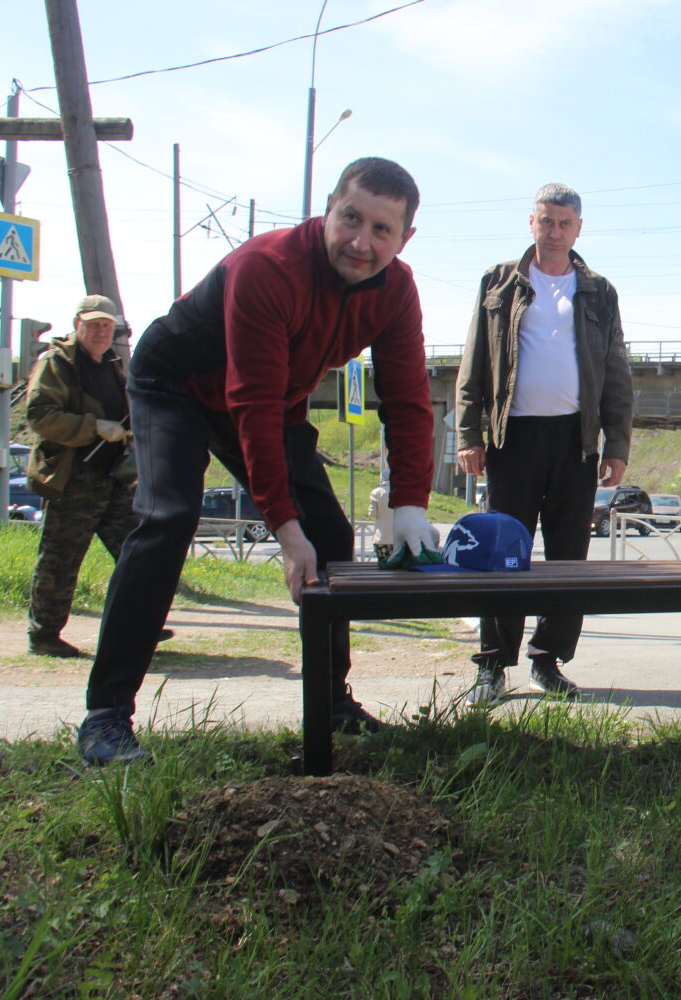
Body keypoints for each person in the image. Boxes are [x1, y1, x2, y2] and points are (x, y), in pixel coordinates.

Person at [76, 157, 440, 765]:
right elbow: (252, 402)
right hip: (177, 385)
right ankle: (106, 715)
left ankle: (330, 701)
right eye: (351, 218)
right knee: (169, 518)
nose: (361, 241)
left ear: (405, 238)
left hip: (274, 398)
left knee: (328, 532)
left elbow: (407, 401)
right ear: (329, 207)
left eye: (383, 230)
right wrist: (281, 526)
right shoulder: (267, 267)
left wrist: (410, 505)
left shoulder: (396, 290)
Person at [454, 183, 633, 704]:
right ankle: (492, 665)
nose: (554, 232)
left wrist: (616, 443)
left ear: (579, 228)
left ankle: (547, 660)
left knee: (567, 556)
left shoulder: (598, 289)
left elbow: (616, 370)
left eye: (564, 223)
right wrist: (469, 432)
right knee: (500, 553)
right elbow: (474, 362)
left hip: (576, 440)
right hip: (513, 437)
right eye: (546, 221)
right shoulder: (499, 282)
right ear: (530, 223)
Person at [23, 295, 172, 658]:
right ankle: (44, 635)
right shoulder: (57, 363)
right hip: (73, 478)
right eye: (93, 325)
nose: (101, 331)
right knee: (61, 557)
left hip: (113, 478)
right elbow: (39, 415)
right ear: (78, 325)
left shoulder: (113, 365)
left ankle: (140, 627)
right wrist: (93, 427)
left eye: (107, 326)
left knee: (138, 554)